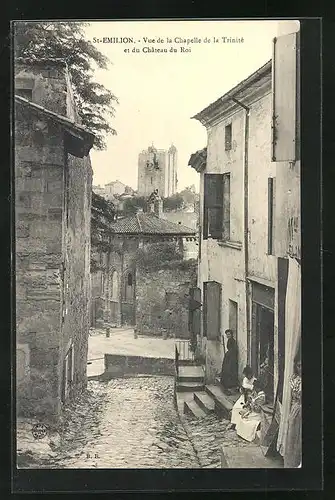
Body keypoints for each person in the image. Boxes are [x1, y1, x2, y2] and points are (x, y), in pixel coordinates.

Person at [284, 355, 302, 468]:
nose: (301, 368)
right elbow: (291, 397)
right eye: (299, 365)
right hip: (297, 410)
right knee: (294, 436)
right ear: (296, 366)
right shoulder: (294, 380)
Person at [220, 329, 239, 395]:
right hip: (228, 357)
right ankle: (227, 386)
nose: (228, 336)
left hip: (232, 358)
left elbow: (234, 350)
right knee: (226, 371)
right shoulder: (229, 340)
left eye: (229, 334)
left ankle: (231, 386)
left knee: (229, 371)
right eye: (227, 335)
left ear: (231, 335)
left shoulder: (233, 341)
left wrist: (229, 354)